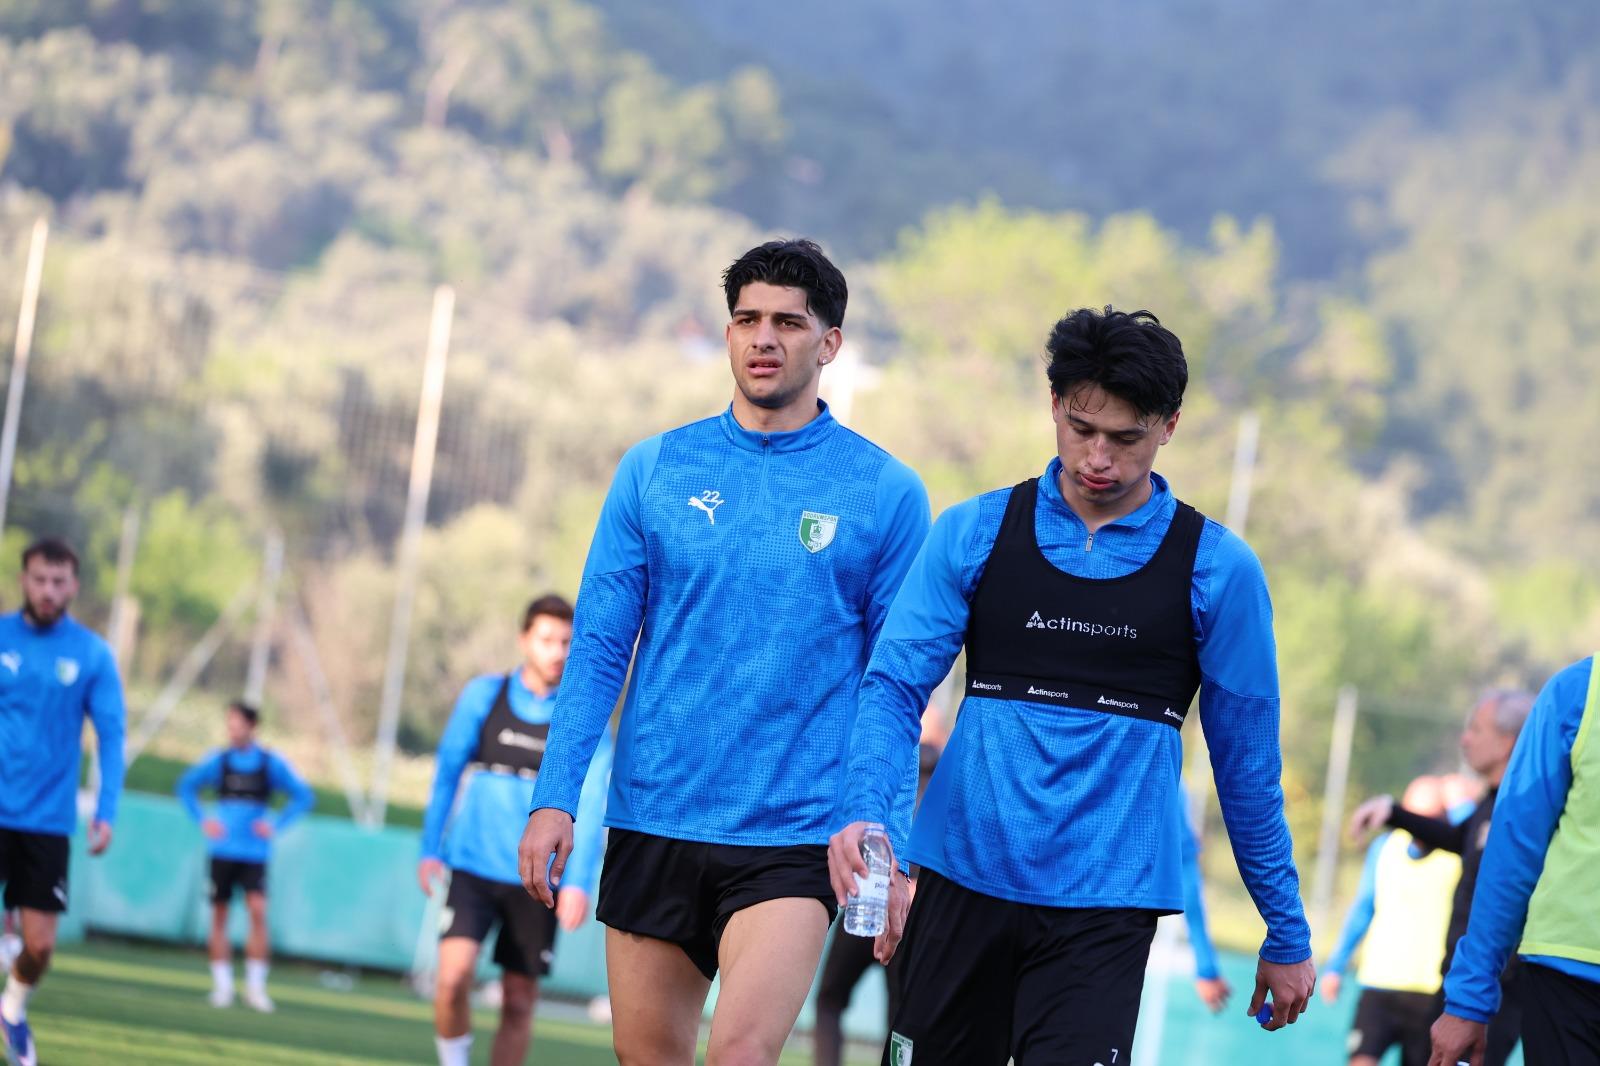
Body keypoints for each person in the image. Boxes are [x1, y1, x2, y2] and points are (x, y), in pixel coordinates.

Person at [829, 306, 1315, 1066]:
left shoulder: (1220, 570)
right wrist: (872, 820)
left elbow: (1248, 769)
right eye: (1081, 428)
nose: (1098, 457)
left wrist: (1285, 929)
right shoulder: (974, 531)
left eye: (1126, 438)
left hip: (1107, 909)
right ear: (1054, 404)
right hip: (961, 881)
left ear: (1169, 426)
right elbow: (892, 688)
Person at [518, 238, 931, 1066]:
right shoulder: (655, 469)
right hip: (656, 814)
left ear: (830, 343)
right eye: (747, 319)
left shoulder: (885, 493)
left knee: (740, 1054)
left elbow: (896, 687)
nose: (763, 338)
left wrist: (886, 837)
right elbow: (599, 648)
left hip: (795, 833)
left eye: (788, 322)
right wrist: (554, 796)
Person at [420, 595, 612, 1066]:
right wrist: (429, 848)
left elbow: (592, 802)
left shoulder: (583, 716)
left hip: (537, 881)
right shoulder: (484, 697)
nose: (557, 651)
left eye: (566, 642)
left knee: (519, 1002)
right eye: (547, 639)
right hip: (471, 867)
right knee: (452, 980)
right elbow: (447, 775)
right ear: (524, 640)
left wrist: (579, 882)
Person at [1429, 654, 1600, 1066]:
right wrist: (1469, 998)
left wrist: (1470, 997)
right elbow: (1513, 850)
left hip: (1566, 971)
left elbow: (1513, 847)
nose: (1466, 740)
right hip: (1569, 978)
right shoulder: (1578, 690)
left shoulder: (1580, 687)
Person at [1350, 689, 1534, 1066]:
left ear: (1506, 742)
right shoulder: (1492, 802)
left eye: (1476, 729)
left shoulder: (1525, 808)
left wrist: (1494, 981)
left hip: (1492, 990)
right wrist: (1393, 813)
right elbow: (1457, 837)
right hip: (1458, 982)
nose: (1465, 739)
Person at [0, 538, 126, 1066]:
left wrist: (107, 809)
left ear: (73, 585)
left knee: (41, 947)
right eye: (39, 579)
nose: (48, 591)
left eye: (58, 581)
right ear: (23, 580)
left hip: (48, 820)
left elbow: (112, 737)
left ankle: (12, 1007)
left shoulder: (91, 654)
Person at [813, 711, 947, 1066]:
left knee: (834, 1000)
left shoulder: (887, 767)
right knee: (894, 1017)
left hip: (878, 894)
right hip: (898, 902)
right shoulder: (940, 776)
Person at [176, 699, 313, 1012]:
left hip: (254, 853)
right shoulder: (219, 760)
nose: (233, 731)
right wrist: (203, 819)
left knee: (258, 911)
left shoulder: (269, 763)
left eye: (238, 725)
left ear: (252, 726)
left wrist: (276, 824)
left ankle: (255, 988)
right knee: (219, 915)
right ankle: (222, 987)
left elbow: (303, 796)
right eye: (230, 725)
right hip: (222, 851)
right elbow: (186, 787)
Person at [1321, 776, 1462, 1066]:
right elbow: (1364, 908)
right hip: (1380, 983)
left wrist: (1458, 793)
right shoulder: (1385, 848)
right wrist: (1336, 966)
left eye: (1431, 817)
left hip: (1431, 992)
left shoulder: (1457, 854)